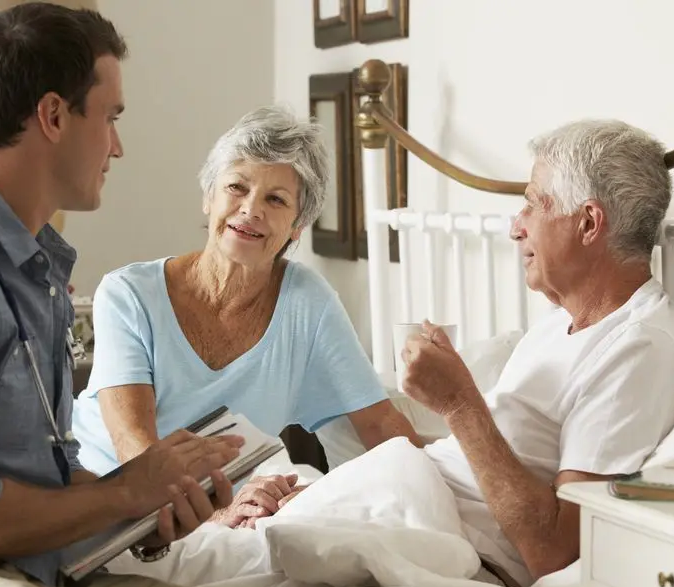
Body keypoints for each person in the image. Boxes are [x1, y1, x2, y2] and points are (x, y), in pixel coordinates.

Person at [0, 4, 299, 587]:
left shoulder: (37, 266)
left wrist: (147, 505)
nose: (118, 145)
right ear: (52, 116)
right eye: (111, 118)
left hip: (30, 565)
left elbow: (43, 471)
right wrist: (125, 490)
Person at [71, 105, 419, 528]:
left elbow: (380, 424)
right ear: (208, 197)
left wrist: (443, 497)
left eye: (276, 199)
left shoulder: (307, 302)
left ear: (297, 225)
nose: (251, 209)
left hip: (231, 509)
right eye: (237, 187)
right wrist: (219, 515)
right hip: (114, 506)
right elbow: (136, 453)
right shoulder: (128, 294)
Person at [399, 119, 674, 587]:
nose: (516, 228)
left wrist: (459, 404)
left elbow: (556, 553)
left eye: (533, 204)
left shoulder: (640, 349)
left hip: (443, 546)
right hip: (403, 504)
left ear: (588, 223)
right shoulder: (558, 323)